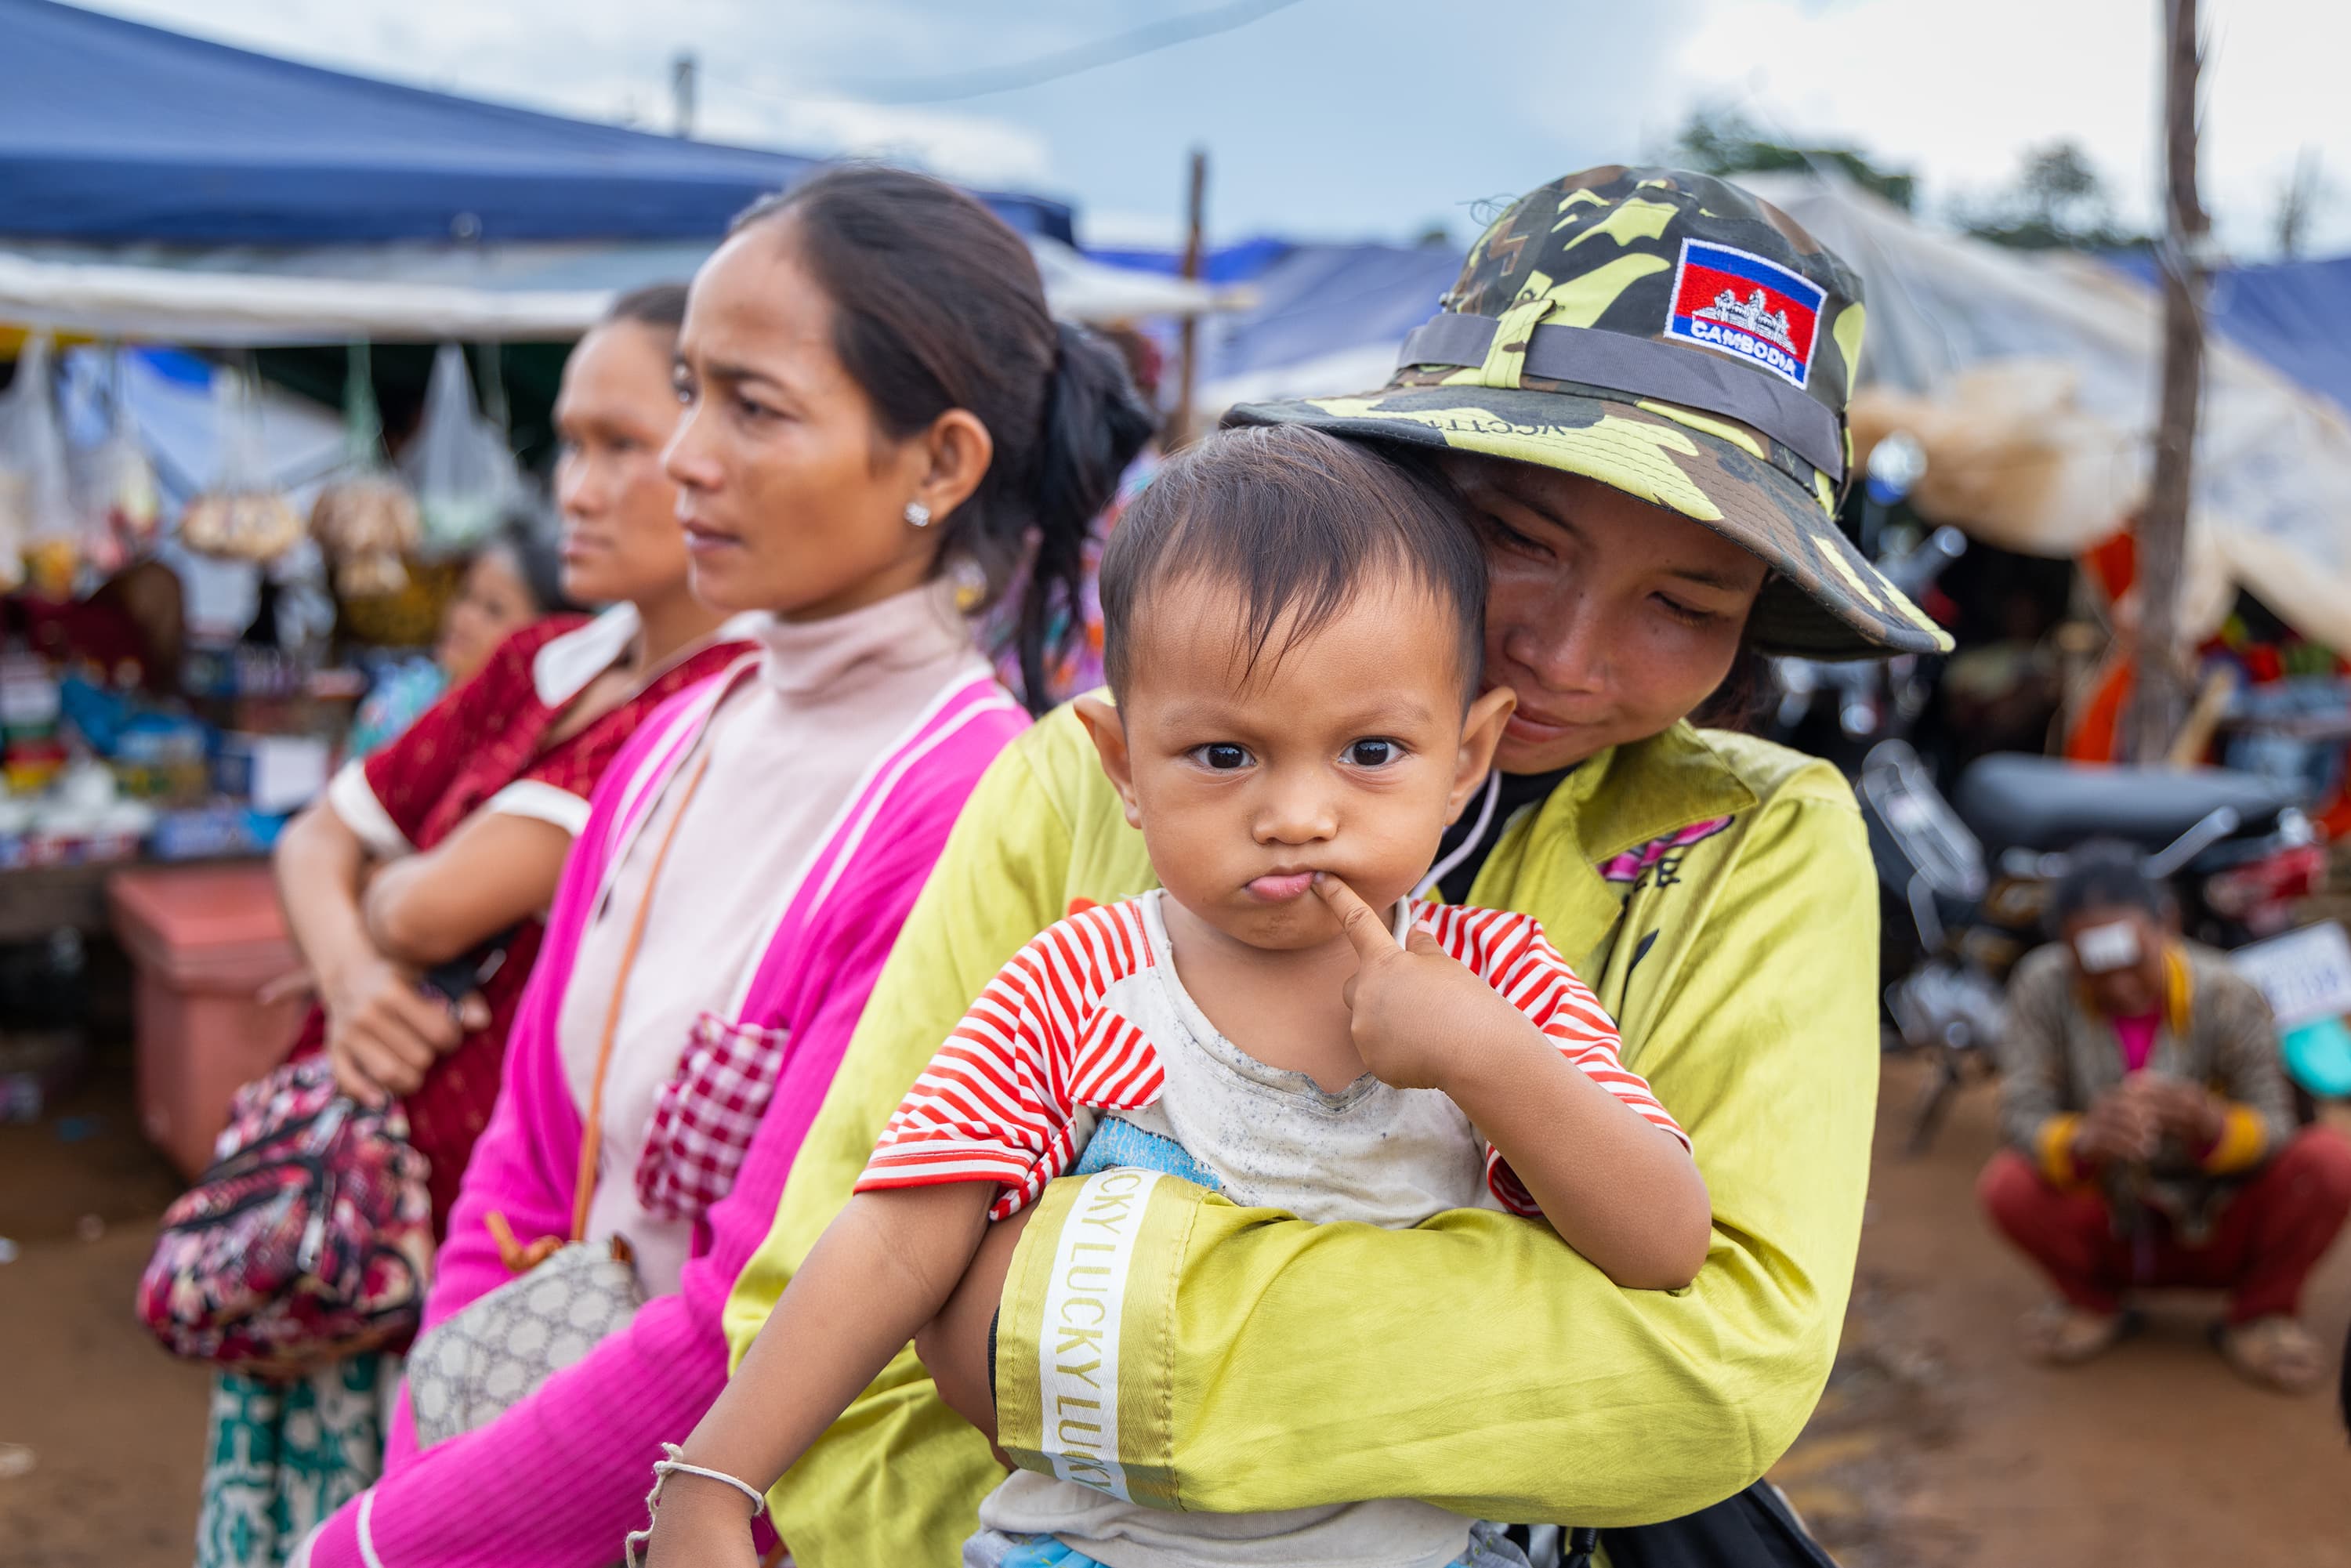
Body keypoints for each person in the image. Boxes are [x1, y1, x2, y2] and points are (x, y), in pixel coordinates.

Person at [726, 165, 1954, 1565]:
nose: (1566, 652)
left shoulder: (1752, 848)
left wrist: (1033, 1311)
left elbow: (1713, 1365)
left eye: (1683, 602)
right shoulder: (1078, 782)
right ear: (1407, 481)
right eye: (1516, 540)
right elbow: (830, 1338)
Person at [648, 426, 1709, 1568]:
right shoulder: (1083, 987)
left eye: (1370, 750)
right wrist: (714, 1479)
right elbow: (898, 1244)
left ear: (1465, 757)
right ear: (1121, 765)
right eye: (1222, 755)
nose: (1297, 813)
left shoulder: (1503, 984)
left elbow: (1664, 1241)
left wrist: (1488, 1060)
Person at [292, 164, 1152, 1568]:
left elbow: (766, 1307)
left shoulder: (967, 805)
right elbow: (525, 1158)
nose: (683, 455)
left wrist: (395, 1542)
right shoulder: (681, 729)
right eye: (691, 390)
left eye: (751, 407)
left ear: (939, 464)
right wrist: (443, 1438)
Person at [197, 283, 756, 1568]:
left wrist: (376, 912)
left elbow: (423, 889)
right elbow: (315, 838)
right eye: (571, 443)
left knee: (409, 1516)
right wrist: (352, 972)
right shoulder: (548, 661)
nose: (578, 484)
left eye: (623, 444)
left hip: (491, 1241)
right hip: (343, 1193)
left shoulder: (718, 710)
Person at [1979, 839, 2351, 1391]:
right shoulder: (2041, 984)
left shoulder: (2229, 990)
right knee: (2007, 1185)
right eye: (2093, 968)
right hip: (2114, 1216)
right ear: (2066, 951)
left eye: (2132, 962)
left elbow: (2276, 1123)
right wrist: (2084, 1139)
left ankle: (2260, 1314)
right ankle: (2093, 1303)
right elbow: (2022, 1114)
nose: (2118, 985)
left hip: (2218, 1221)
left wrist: (2212, 1127)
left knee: (2329, 1161)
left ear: (2168, 923)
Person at [343, 509, 582, 759]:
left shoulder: (543, 732)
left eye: (494, 610)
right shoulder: (396, 706)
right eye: (465, 595)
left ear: (545, 634)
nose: (464, 617)